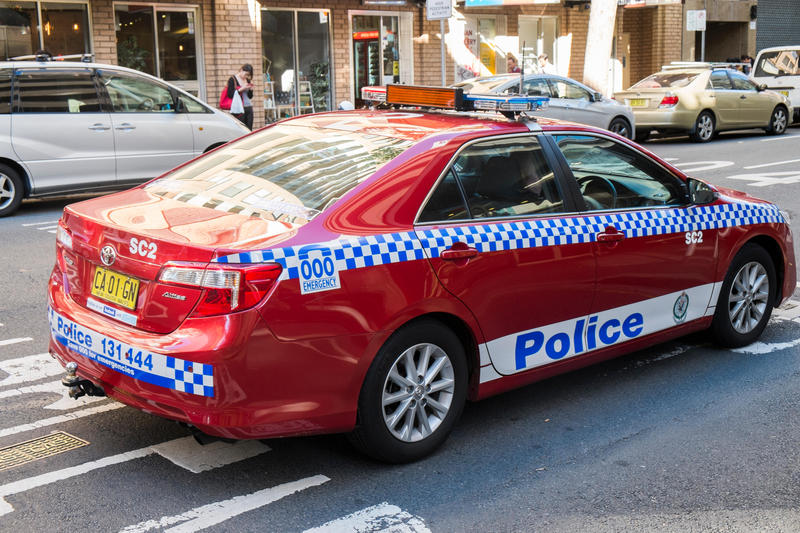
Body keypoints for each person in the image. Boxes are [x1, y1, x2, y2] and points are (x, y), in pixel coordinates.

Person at [226, 64, 254, 129]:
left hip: (249, 108)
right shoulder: (233, 79)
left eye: (248, 75)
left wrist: (251, 90)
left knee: (249, 130)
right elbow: (229, 94)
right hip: (239, 109)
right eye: (246, 74)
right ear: (241, 70)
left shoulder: (247, 80)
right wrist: (241, 89)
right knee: (241, 130)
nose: (246, 76)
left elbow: (250, 97)